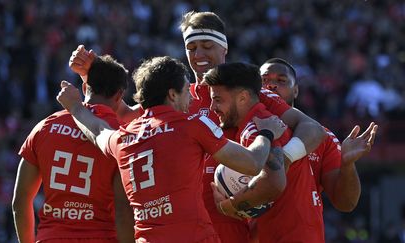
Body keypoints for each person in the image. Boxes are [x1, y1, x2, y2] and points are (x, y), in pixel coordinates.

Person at [68, 11, 327, 242]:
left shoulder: (247, 92)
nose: (199, 55)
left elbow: (313, 129)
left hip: (231, 221)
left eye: (207, 46)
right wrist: (91, 77)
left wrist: (286, 159)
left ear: (224, 49)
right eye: (191, 48)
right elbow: (122, 115)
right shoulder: (178, 97)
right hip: (184, 223)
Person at [56, 56, 287, 243]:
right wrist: (266, 133)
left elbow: (97, 131)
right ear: (172, 94)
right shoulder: (192, 126)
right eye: (187, 90)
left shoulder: (122, 138)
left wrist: (75, 106)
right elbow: (253, 162)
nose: (191, 98)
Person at [249, 57, 378, 242]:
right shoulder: (240, 128)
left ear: (296, 90)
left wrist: (348, 165)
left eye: (281, 81)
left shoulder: (324, 138)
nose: (272, 86)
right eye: (265, 80)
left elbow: (346, 203)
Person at [12, 55, 135, 243]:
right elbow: (123, 211)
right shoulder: (120, 137)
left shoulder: (45, 127)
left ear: (85, 88)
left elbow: (20, 202)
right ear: (119, 95)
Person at [203, 62, 291, 215]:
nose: (212, 107)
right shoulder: (259, 122)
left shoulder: (256, 129)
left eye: (217, 99)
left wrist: (228, 207)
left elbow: (274, 184)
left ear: (243, 98)